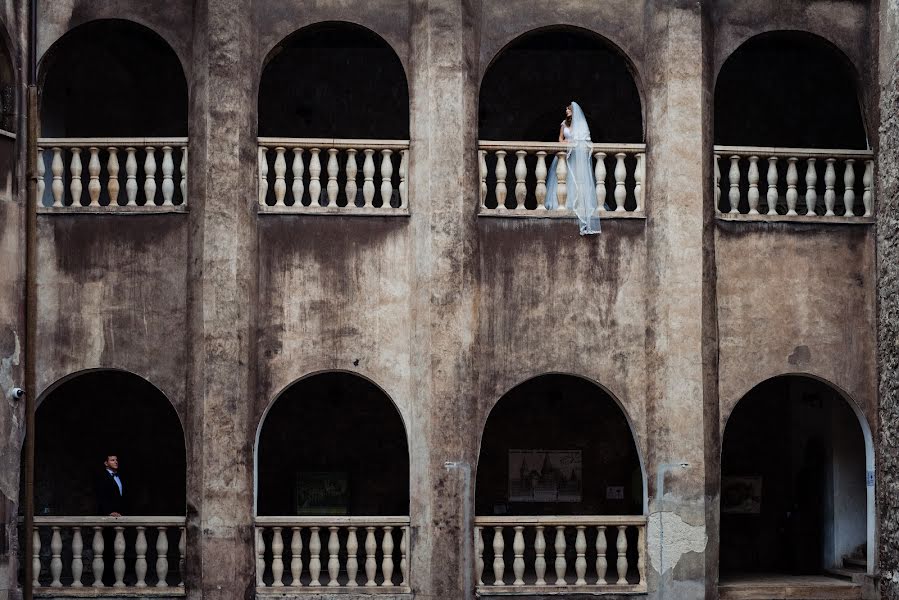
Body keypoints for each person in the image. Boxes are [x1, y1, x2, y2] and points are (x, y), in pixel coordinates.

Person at [545, 102, 602, 235]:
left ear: (573, 111)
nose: (566, 110)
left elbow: (584, 139)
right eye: (566, 108)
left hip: (575, 156)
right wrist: (565, 142)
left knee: (577, 180)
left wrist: (575, 142)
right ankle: (561, 204)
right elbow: (560, 138)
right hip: (565, 154)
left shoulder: (580, 125)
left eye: (568, 108)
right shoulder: (564, 123)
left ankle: (576, 204)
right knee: (561, 179)